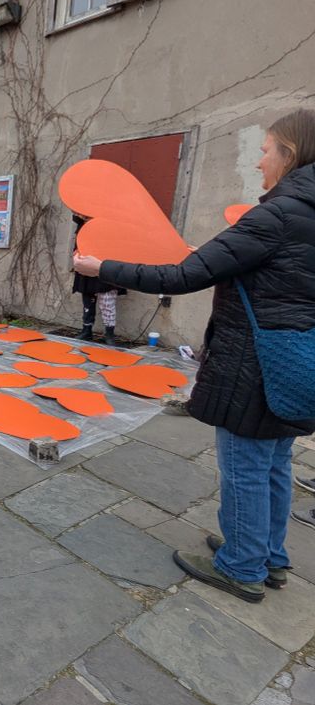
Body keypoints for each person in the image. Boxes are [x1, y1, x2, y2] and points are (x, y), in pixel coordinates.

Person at [73, 109, 315, 604]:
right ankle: (268, 555)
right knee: (274, 462)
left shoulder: (275, 215)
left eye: (265, 150)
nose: (259, 163)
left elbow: (181, 277)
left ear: (290, 154)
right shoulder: (304, 215)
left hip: (253, 363)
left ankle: (240, 566)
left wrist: (103, 266)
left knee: (245, 464)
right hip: (297, 360)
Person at [72, 214, 124, 345]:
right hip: (87, 266)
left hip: (105, 266)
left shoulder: (111, 224)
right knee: (88, 301)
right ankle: (86, 330)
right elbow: (78, 242)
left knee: (107, 302)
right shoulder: (82, 224)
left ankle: (109, 334)